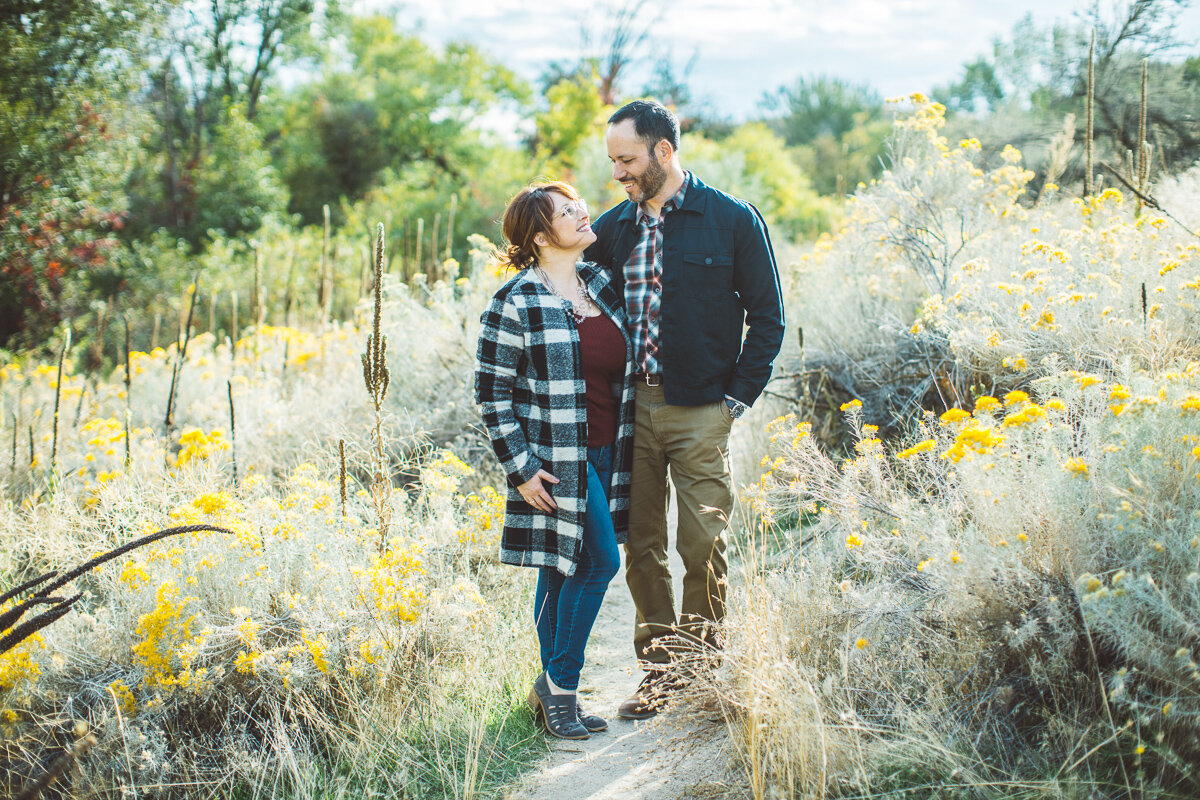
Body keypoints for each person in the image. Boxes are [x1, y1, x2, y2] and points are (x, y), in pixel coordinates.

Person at [583, 100, 785, 720]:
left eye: (627, 159)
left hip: (702, 410)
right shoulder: (614, 229)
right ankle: (660, 671)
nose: (617, 172)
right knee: (641, 543)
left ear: (663, 152)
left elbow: (769, 318)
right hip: (632, 409)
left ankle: (701, 672)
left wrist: (735, 400)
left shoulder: (731, 220)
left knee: (702, 542)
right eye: (612, 160)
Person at [475, 181, 636, 740]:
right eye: (568, 212)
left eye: (579, 204)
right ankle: (563, 687)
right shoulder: (515, 300)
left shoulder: (602, 286)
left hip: (609, 451)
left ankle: (549, 688)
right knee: (599, 563)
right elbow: (491, 394)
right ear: (542, 236)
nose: (583, 212)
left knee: (557, 564)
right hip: (554, 458)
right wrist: (519, 468)